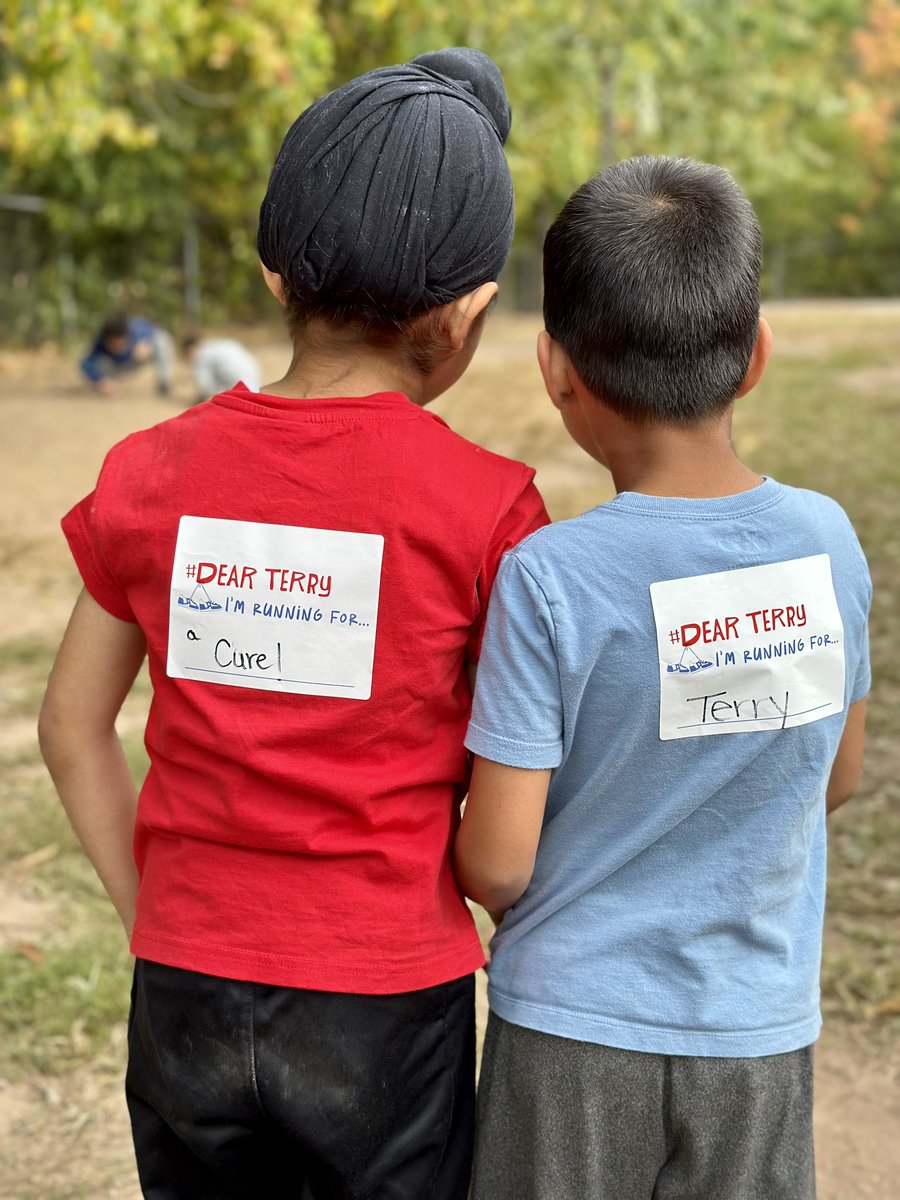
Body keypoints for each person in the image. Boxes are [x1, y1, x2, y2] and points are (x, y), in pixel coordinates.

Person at [39, 48, 548, 1200]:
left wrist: (150, 909)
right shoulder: (490, 510)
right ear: (467, 316)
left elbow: (72, 726)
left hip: (182, 988)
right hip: (384, 1000)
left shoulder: (149, 471)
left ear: (274, 276)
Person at [455, 156, 871, 1200]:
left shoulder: (547, 578)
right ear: (757, 355)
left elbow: (497, 866)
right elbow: (838, 776)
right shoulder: (827, 543)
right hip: (757, 1034)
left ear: (556, 372)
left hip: (566, 1041)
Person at [80, 313, 174, 396]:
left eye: (119, 343)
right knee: (100, 362)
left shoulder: (135, 329)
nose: (116, 347)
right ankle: (110, 385)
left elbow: (152, 328)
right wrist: (99, 380)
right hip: (116, 367)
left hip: (136, 360)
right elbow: (86, 364)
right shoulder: (100, 343)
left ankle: (164, 383)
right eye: (112, 344)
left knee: (162, 338)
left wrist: (145, 341)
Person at [182, 333, 262, 401]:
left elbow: (205, 386)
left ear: (190, 349)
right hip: (253, 375)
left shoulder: (201, 355)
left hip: (234, 381)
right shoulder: (216, 345)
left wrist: (200, 399)